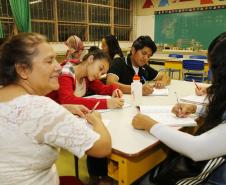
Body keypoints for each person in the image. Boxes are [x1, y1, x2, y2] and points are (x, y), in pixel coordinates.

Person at [0, 33, 112, 185]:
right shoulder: (40, 107)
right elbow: (102, 148)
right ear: (23, 70)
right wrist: (97, 121)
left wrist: (62, 108)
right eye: (49, 61)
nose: (58, 67)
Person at [132, 32, 226, 185]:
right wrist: (194, 108)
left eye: (214, 70)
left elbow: (196, 149)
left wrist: (151, 125)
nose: (212, 79)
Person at [48, 49, 124, 110]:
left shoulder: (88, 76)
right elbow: (67, 101)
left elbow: (102, 89)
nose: (99, 75)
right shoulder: (66, 72)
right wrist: (106, 103)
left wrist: (115, 90)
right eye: (100, 69)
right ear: (90, 59)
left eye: (102, 73)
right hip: (50, 114)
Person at [106, 35, 170, 95]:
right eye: (143, 53)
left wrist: (162, 83)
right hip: (122, 103)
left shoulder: (143, 67)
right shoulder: (119, 62)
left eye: (149, 56)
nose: (145, 58)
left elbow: (164, 76)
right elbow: (110, 83)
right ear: (133, 50)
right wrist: (137, 89)